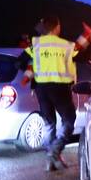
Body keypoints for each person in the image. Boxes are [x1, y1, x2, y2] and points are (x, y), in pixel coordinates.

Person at [24, 15, 78, 171]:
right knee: (69, 120)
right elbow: (81, 54)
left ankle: (51, 161)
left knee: (49, 124)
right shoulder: (65, 45)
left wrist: (31, 78)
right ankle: (55, 151)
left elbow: (23, 62)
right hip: (60, 88)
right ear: (57, 27)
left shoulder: (36, 44)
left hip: (42, 89)